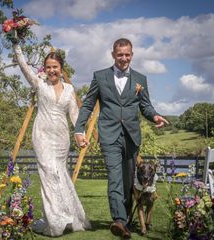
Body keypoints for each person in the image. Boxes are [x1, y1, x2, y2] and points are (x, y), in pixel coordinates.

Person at [74, 38, 168, 239]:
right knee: (114, 178)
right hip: (109, 135)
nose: (124, 58)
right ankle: (119, 220)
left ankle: (125, 221)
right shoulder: (100, 77)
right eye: (120, 54)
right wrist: (79, 130)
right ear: (113, 55)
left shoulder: (140, 79)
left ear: (132, 55)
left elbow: (146, 106)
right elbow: (88, 105)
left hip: (132, 137)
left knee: (128, 182)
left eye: (127, 54)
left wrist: (154, 116)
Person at [13, 44, 91, 236]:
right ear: (44, 69)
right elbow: (24, 67)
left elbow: (74, 114)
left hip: (62, 138)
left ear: (61, 68)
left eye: (55, 66)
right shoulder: (39, 84)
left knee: (60, 175)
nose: (52, 70)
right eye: (48, 67)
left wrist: (80, 135)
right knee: (48, 174)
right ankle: (57, 222)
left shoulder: (69, 89)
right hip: (42, 135)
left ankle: (71, 218)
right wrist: (16, 46)